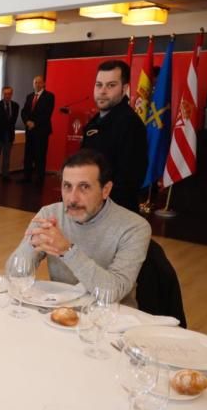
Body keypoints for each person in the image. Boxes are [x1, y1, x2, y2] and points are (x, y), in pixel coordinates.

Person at [14, 149, 151, 307]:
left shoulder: (134, 227)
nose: (72, 198)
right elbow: (14, 276)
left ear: (105, 190)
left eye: (84, 187)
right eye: (67, 186)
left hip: (109, 319)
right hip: (59, 312)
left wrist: (68, 251)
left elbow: (112, 293)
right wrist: (30, 247)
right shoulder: (49, 214)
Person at [79, 60, 147, 212]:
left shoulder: (130, 124)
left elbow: (129, 180)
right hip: (88, 207)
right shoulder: (94, 122)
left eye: (111, 85)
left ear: (124, 89)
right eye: (99, 84)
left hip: (114, 213)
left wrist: (98, 205)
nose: (102, 91)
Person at [20, 75, 54, 183]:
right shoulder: (29, 96)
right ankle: (27, 177)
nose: (37, 85)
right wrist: (27, 122)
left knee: (40, 155)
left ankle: (40, 179)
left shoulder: (49, 96)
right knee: (28, 154)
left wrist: (35, 123)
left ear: (43, 84)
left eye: (39, 82)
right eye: (35, 82)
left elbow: (47, 113)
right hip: (30, 130)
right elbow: (24, 111)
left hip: (41, 131)